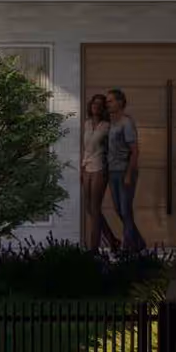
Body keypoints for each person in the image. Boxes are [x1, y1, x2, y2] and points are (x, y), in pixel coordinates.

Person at [104, 88, 146, 253]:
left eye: (110, 101)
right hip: (112, 171)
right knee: (119, 210)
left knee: (125, 210)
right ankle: (139, 242)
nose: (108, 104)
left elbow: (135, 151)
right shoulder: (112, 123)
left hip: (124, 171)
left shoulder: (126, 123)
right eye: (107, 101)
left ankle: (127, 247)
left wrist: (129, 174)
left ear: (120, 102)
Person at [79, 94, 120, 251]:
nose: (96, 106)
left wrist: (109, 168)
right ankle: (112, 240)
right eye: (94, 103)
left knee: (95, 209)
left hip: (99, 168)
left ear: (103, 108)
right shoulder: (87, 124)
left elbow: (112, 150)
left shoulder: (107, 126)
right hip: (87, 167)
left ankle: (93, 249)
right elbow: (86, 148)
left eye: (99, 104)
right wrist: (82, 168)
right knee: (90, 208)